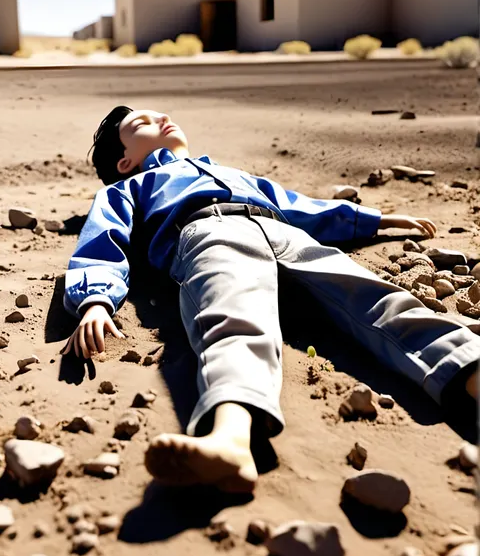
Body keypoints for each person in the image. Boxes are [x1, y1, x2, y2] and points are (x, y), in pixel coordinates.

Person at [62, 106, 479, 493]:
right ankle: (231, 438)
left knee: (377, 298)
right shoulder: (132, 186)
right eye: (141, 125)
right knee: (232, 316)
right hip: (209, 234)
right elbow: (102, 240)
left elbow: (298, 207)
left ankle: (468, 370)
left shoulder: (227, 171)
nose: (162, 118)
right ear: (124, 162)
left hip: (284, 232)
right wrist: (95, 299)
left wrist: (373, 220)